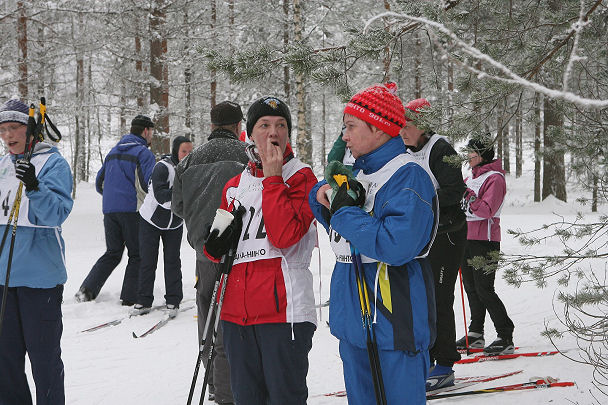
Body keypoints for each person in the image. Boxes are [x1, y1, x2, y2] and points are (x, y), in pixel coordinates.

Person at [309, 83, 437, 405]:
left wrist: (343, 211)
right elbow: (338, 229)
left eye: (350, 127)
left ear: (378, 127)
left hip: (394, 320)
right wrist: (321, 196)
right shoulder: (360, 171)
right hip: (353, 318)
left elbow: (396, 245)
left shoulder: (409, 176)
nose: (345, 137)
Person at [204, 96, 317, 405]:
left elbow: (284, 236)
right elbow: (214, 252)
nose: (273, 133)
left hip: (284, 312)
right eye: (264, 125)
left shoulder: (301, 177)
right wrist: (216, 236)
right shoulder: (234, 184)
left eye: (281, 126)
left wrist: (273, 178)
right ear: (249, 134)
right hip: (237, 314)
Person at [172, 100, 248, 404]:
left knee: (208, 322)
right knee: (235, 323)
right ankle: (231, 390)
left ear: (212, 125)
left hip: (204, 254)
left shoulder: (189, 161)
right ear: (239, 126)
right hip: (241, 255)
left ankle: (215, 385)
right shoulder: (247, 155)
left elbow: (177, 206)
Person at [0, 99, 73, 405]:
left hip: (39, 280)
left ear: (31, 129)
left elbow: (56, 214)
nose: (8, 135)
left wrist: (34, 185)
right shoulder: (3, 165)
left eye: (14, 127)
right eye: (3, 130)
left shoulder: (53, 163)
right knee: (6, 362)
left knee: (44, 362)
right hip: (4, 279)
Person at [400, 98, 467, 391]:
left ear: (424, 125)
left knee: (440, 298)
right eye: (400, 125)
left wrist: (421, 203)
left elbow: (455, 191)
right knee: (421, 299)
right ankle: (426, 357)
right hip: (422, 238)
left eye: (408, 125)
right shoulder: (406, 151)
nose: (402, 131)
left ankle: (445, 363)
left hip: (447, 235)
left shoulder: (441, 149)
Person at [75, 115, 156, 305]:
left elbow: (98, 183)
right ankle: (130, 298)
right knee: (137, 254)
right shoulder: (143, 153)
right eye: (151, 131)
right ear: (145, 131)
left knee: (112, 252)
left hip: (110, 211)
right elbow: (148, 183)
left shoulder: (113, 152)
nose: (152, 135)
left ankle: (86, 291)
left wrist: (112, 198)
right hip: (132, 211)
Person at [458, 135, 514, 355]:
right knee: (470, 287)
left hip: (486, 240)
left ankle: (505, 334)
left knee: (484, 288)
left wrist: (468, 195)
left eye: (471, 153)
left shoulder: (495, 178)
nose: (468, 157)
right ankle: (476, 332)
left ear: (481, 154)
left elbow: (486, 210)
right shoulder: (469, 178)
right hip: (466, 239)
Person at [131, 136, 192, 317]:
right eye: (183, 151)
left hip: (174, 222)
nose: (187, 155)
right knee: (148, 261)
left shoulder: (191, 169)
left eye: (190, 152)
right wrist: (182, 194)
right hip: (151, 220)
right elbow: (161, 197)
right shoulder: (162, 168)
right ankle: (143, 301)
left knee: (173, 261)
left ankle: (173, 300)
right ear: (176, 151)